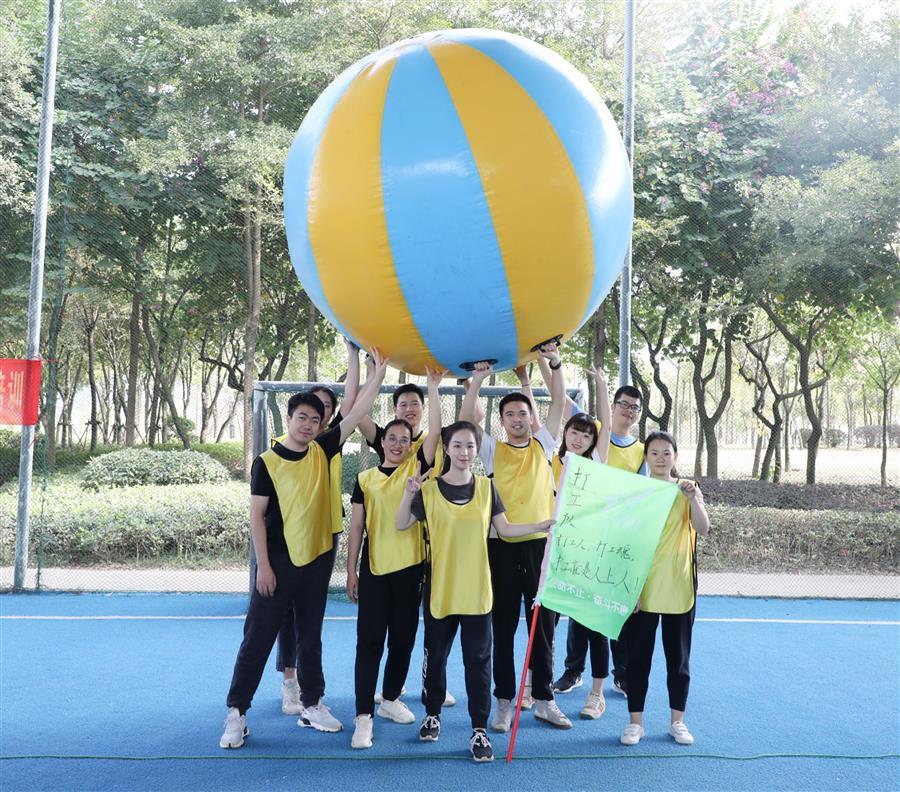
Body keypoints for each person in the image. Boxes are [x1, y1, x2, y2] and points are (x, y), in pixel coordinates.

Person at [219, 350, 389, 749]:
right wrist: (263, 566)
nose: (309, 424)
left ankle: (312, 704)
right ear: (289, 418)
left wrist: (378, 373)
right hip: (277, 563)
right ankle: (236, 712)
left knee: (311, 636)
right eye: (302, 418)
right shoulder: (266, 462)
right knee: (258, 639)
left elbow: (356, 411)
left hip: (316, 560)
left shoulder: (323, 448)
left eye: (315, 419)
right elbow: (256, 517)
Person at [395, 421, 554, 763]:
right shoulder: (428, 491)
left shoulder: (486, 488)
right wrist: (408, 492)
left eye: (470, 446)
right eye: (458, 445)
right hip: (440, 590)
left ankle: (479, 728)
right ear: (447, 449)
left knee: (478, 662)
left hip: (478, 591)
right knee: (436, 657)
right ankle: (432, 714)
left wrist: (542, 524)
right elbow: (401, 523)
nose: (465, 452)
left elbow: (505, 529)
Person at [459, 345, 569, 732]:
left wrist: (554, 363)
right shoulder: (491, 450)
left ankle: (544, 699)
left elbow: (558, 402)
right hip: (501, 546)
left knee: (543, 628)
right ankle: (504, 700)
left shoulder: (544, 444)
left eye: (523, 413)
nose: (518, 419)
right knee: (503, 628)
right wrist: (477, 380)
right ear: (502, 421)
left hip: (541, 545)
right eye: (510, 414)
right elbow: (466, 421)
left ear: (530, 417)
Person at [347, 367, 444, 750]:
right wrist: (351, 571)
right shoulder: (366, 479)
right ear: (381, 441)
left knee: (403, 641)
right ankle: (363, 717)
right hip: (374, 570)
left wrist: (433, 387)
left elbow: (434, 432)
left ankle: (389, 698)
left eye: (405, 439)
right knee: (369, 643)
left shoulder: (416, 469)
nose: (398, 444)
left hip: (410, 570)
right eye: (392, 438)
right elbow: (357, 528)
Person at [278, 338, 360, 716]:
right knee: (287, 612)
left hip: (326, 534)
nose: (320, 411)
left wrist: (355, 356)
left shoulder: (330, 442)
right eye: (313, 407)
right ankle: (289, 681)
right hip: (292, 537)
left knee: (311, 613)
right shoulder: (286, 447)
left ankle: (310, 688)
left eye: (326, 407)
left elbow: (353, 402)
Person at [554, 381, 648, 699]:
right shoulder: (592, 431)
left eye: (635, 407)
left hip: (616, 537)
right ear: (614, 405)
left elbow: (643, 496)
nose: (628, 410)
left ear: (639, 413)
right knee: (579, 606)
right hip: (582, 535)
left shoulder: (641, 451)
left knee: (615, 607)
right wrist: (550, 363)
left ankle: (621, 674)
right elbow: (560, 400)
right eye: (624, 404)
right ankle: (573, 671)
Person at [619, 431, 710, 747]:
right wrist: (630, 587)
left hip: (679, 588)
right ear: (646, 457)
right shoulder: (638, 491)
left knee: (678, 660)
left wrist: (693, 499)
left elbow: (703, 528)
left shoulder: (688, 489)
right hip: (642, 590)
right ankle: (635, 723)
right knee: (638, 659)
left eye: (666, 452)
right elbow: (627, 540)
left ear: (675, 457)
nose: (660, 458)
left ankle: (677, 722)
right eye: (654, 453)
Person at [548, 367, 614, 720]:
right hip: (555, 551)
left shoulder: (595, 462)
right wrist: (547, 364)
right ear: (566, 432)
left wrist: (601, 384)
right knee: (547, 622)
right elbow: (557, 401)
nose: (579, 438)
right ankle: (536, 688)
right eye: (574, 431)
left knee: (593, 623)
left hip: (589, 554)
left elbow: (606, 423)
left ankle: (596, 694)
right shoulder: (551, 458)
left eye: (586, 435)